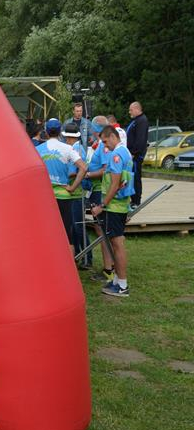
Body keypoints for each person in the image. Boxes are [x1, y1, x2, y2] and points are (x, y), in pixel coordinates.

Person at [91, 125, 134, 297]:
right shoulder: (125, 152)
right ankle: (116, 280)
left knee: (117, 244)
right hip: (120, 205)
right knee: (116, 243)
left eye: (105, 141)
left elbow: (115, 184)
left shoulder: (116, 155)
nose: (104, 145)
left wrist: (101, 205)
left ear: (112, 136)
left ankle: (122, 285)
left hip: (114, 207)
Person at [36, 119, 87, 251]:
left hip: (44, 195)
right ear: (60, 133)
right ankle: (70, 264)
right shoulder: (68, 148)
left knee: (46, 232)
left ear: (46, 132)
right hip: (63, 195)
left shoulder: (37, 150)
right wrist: (73, 187)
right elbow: (83, 168)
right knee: (67, 235)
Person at [83, 116, 114, 282]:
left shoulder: (104, 146)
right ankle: (109, 267)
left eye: (93, 130)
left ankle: (109, 269)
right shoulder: (102, 144)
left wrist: (87, 174)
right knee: (100, 229)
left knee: (102, 230)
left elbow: (105, 169)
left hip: (99, 190)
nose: (92, 133)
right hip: (96, 190)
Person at [63, 123, 88, 268]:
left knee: (78, 227)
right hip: (74, 193)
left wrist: (63, 176)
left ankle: (86, 258)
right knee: (74, 226)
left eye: (67, 137)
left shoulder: (76, 149)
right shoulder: (76, 147)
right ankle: (79, 255)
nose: (66, 140)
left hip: (76, 193)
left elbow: (78, 170)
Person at [125, 102, 149, 208]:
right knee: (132, 177)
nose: (129, 112)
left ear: (137, 109)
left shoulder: (142, 121)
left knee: (135, 177)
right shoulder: (136, 120)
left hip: (136, 156)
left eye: (131, 110)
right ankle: (133, 199)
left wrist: (134, 153)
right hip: (132, 155)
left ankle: (136, 201)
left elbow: (140, 139)